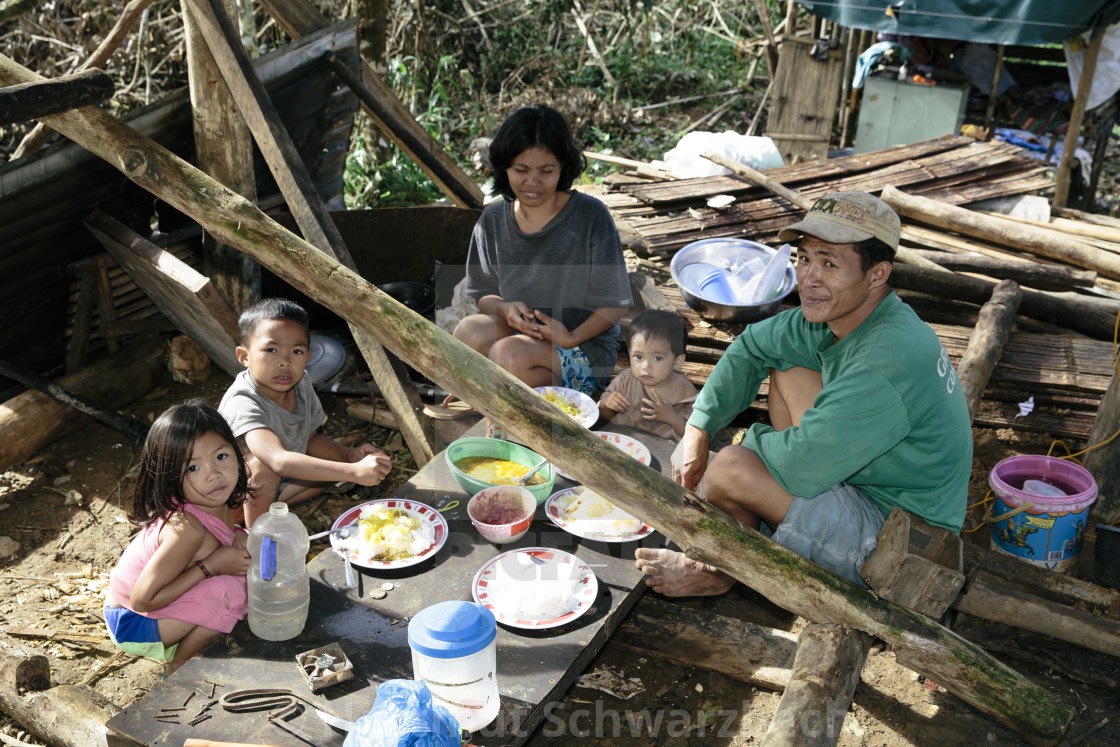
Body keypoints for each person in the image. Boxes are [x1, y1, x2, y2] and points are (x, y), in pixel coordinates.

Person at [636, 191, 972, 594]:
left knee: (729, 470)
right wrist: (698, 428)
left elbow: (799, 467)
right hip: (872, 478)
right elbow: (753, 345)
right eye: (806, 258)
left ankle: (723, 573)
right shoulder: (850, 314)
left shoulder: (884, 359)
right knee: (787, 363)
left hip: (900, 538)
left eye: (830, 263)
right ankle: (752, 531)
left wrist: (735, 456)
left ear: (877, 274)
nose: (808, 278)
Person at [450, 105, 633, 398]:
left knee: (506, 354)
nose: (533, 182)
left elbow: (615, 304)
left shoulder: (589, 217)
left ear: (563, 167)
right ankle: (499, 402)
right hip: (525, 338)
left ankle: (560, 411)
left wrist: (570, 336)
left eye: (546, 171)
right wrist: (504, 308)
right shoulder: (493, 220)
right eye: (521, 170)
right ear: (504, 167)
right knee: (467, 332)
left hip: (582, 346)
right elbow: (482, 293)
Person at [104, 401, 253, 675]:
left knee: (245, 569)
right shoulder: (185, 529)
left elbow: (223, 537)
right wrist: (211, 567)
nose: (214, 474)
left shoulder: (213, 501)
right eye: (192, 468)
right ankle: (178, 668)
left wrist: (237, 539)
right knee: (229, 593)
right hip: (132, 621)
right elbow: (141, 600)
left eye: (221, 457)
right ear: (170, 477)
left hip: (158, 603)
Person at [219, 298, 392, 527]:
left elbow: (310, 439)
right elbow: (278, 461)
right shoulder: (243, 401)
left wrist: (349, 456)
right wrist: (353, 472)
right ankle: (255, 537)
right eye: (271, 349)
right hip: (226, 501)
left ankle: (275, 504)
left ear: (308, 357)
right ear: (244, 357)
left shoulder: (301, 383)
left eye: (297, 351)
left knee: (324, 468)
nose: (285, 361)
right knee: (266, 466)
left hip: (274, 487)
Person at [598, 310, 697, 440]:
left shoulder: (686, 393)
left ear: (677, 361)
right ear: (629, 353)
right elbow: (601, 414)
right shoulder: (625, 380)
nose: (645, 366)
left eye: (657, 358)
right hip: (621, 441)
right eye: (638, 356)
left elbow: (694, 437)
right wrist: (606, 403)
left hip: (661, 452)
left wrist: (672, 417)